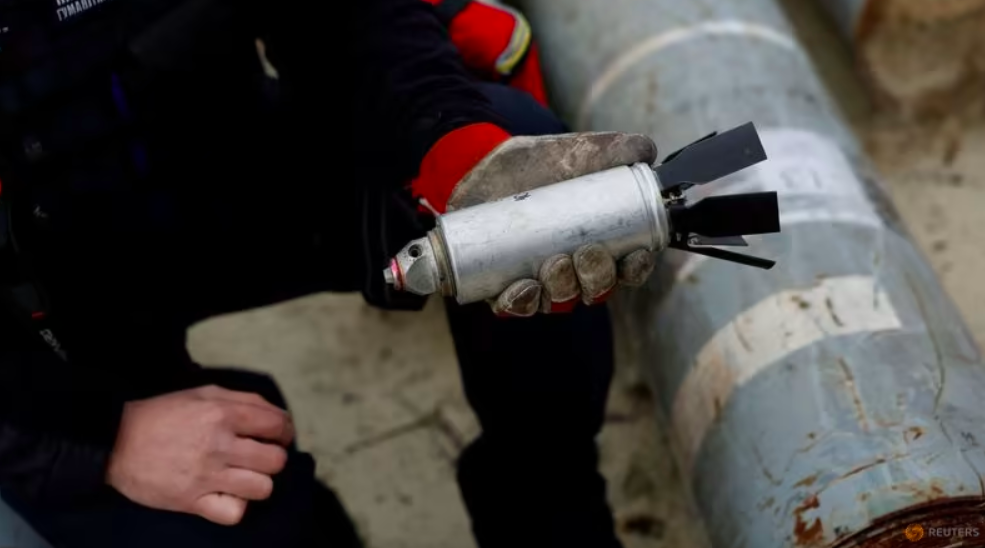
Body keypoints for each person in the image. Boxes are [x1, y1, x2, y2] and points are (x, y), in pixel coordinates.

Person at [0, 0, 659, 546]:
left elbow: (348, 16)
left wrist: (449, 141)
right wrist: (99, 440)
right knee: (249, 510)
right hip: (39, 337)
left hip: (210, 176)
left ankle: (547, 502)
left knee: (525, 202)